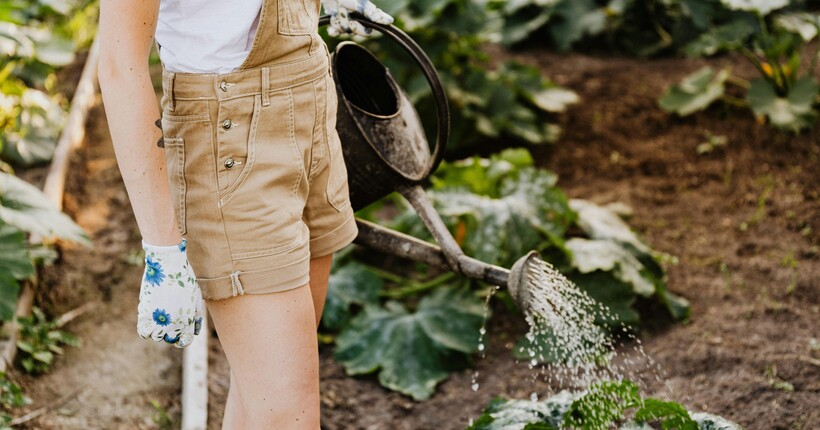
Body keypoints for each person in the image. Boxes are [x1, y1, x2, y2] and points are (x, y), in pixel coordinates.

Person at [97, 0, 393, 428]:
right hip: (229, 138)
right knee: (289, 416)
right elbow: (118, 64)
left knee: (265, 400)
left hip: (309, 101)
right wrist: (163, 248)